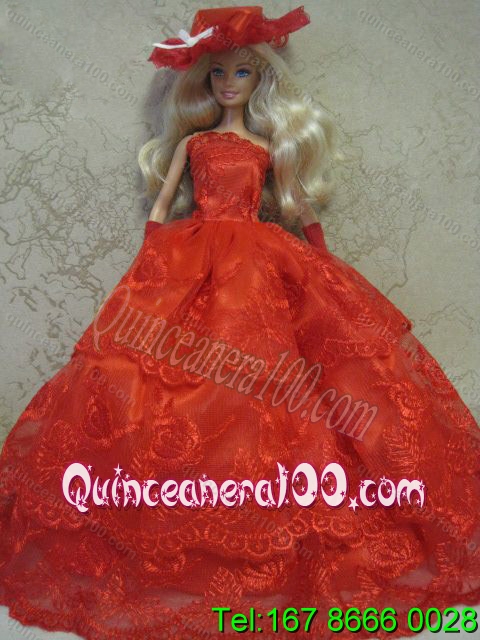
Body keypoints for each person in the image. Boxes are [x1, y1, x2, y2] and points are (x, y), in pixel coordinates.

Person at [0, 6, 479, 640]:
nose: (229, 83)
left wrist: (321, 255)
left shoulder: (265, 148)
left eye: (243, 73)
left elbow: (295, 200)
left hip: (257, 260)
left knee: (276, 376)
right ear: (205, 80)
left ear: (261, 80)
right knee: (163, 378)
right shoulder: (194, 144)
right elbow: (166, 200)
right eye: (219, 72)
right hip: (191, 257)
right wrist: (153, 251)